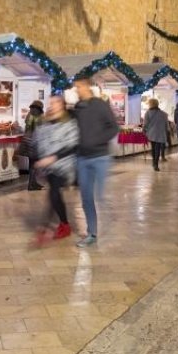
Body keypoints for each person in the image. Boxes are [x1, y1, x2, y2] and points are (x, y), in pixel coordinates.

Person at [72, 77, 119, 247]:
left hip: (100, 157)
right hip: (83, 158)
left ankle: (110, 219)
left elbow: (113, 127)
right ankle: (92, 233)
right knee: (86, 197)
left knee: (100, 196)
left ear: (86, 87)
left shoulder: (99, 104)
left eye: (78, 87)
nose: (76, 90)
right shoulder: (78, 107)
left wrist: (97, 140)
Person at [34, 96, 78, 242]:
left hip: (64, 165)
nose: (52, 105)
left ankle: (47, 227)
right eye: (51, 103)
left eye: (56, 102)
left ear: (62, 105)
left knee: (53, 193)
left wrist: (53, 157)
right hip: (48, 166)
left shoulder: (69, 123)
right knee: (54, 195)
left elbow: (72, 146)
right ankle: (62, 224)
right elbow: (39, 141)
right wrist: (39, 159)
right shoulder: (46, 122)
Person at [143, 98, 169, 171]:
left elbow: (145, 124)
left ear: (150, 104)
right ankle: (156, 164)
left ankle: (154, 163)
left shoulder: (147, 113)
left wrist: (144, 130)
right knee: (158, 149)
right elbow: (166, 125)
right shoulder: (164, 114)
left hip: (152, 133)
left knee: (153, 148)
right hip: (161, 133)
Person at [24, 100, 45, 191]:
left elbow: (27, 127)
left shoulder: (29, 115)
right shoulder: (39, 116)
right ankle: (31, 185)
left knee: (31, 164)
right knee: (34, 164)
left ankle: (33, 183)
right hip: (35, 142)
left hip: (28, 141)